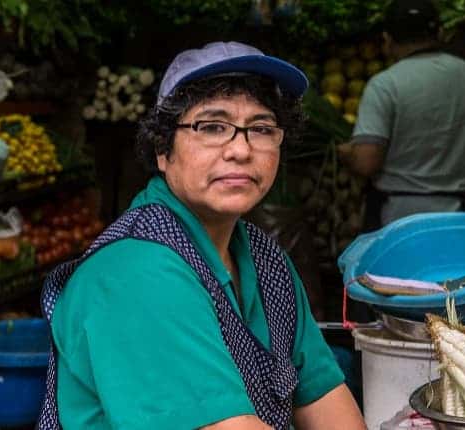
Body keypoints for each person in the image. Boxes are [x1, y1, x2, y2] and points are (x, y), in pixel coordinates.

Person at [38, 42, 365, 430]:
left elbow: (328, 404)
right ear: (163, 149)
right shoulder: (135, 271)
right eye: (212, 127)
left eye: (261, 129)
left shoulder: (265, 259)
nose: (241, 150)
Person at [340, 0, 465, 228]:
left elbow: (367, 162)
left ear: (387, 40)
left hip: (409, 221)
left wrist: (345, 153)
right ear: (440, 33)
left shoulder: (385, 85)